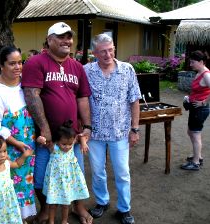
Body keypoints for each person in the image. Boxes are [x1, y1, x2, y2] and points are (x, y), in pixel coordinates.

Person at [22, 22, 93, 224]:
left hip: (71, 138)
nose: (67, 41)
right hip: (47, 138)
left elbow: (82, 98)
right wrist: (45, 129)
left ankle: (78, 207)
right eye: (61, 37)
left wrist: (87, 126)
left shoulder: (77, 67)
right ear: (49, 40)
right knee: (41, 178)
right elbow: (31, 95)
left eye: (69, 37)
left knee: (75, 175)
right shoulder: (36, 62)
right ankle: (46, 208)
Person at [83, 34, 141, 224]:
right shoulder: (86, 71)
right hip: (95, 133)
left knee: (122, 172)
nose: (108, 54)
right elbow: (81, 99)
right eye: (103, 51)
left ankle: (124, 209)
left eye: (111, 49)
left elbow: (134, 100)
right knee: (98, 171)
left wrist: (135, 129)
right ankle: (102, 201)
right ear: (94, 53)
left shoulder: (127, 70)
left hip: (120, 133)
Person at [0, 46, 37, 221]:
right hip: (5, 152)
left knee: (23, 187)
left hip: (27, 148)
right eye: (12, 63)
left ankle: (20, 218)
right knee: (6, 189)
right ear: (1, 65)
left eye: (20, 62)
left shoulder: (24, 86)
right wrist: (17, 143)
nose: (18, 67)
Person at [37, 120, 89, 224]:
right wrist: (40, 139)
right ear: (57, 141)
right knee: (53, 203)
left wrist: (83, 143)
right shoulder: (53, 147)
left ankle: (64, 221)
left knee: (66, 203)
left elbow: (81, 136)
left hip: (68, 182)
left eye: (70, 144)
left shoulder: (72, 143)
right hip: (55, 182)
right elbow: (42, 142)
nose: (67, 147)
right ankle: (51, 221)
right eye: (64, 144)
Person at [180, 50, 210, 171]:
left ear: (201, 62)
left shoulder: (206, 75)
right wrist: (189, 97)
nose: (191, 64)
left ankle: (196, 162)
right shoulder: (199, 72)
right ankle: (198, 156)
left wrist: (204, 102)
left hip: (201, 109)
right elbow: (198, 90)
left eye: (193, 62)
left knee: (195, 134)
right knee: (191, 132)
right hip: (195, 108)